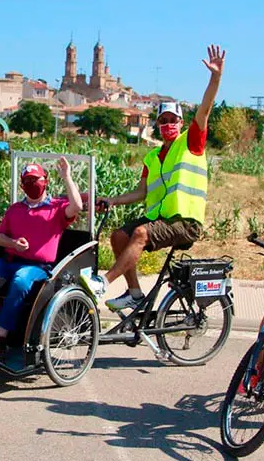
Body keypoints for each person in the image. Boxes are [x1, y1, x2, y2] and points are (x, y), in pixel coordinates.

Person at [87, 45, 225, 311]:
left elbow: (205, 109)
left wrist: (215, 77)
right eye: (163, 121)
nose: (169, 125)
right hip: (162, 219)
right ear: (158, 126)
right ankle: (135, 294)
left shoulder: (191, 143)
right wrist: (111, 200)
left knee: (139, 233)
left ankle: (103, 283)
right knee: (118, 236)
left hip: (186, 222)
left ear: (182, 123)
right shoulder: (152, 157)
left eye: (173, 120)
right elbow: (141, 192)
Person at [0, 157, 83, 360]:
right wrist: (13, 243)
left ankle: (1, 337)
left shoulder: (56, 208)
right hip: (8, 262)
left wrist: (67, 177)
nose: (32, 185)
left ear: (45, 181)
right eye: (27, 182)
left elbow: (78, 206)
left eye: (35, 180)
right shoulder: (15, 209)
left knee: (21, 280)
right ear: (22, 186)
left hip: (38, 266)